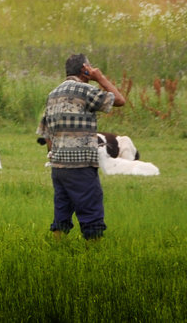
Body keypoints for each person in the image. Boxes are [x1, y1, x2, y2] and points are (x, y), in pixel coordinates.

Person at [37, 54, 127, 240]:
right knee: (91, 212)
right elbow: (119, 100)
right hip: (81, 166)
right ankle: (93, 256)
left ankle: (56, 250)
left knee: (61, 213)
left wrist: (54, 158)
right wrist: (100, 78)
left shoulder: (52, 95)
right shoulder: (86, 91)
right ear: (85, 69)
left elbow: (46, 135)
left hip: (58, 167)